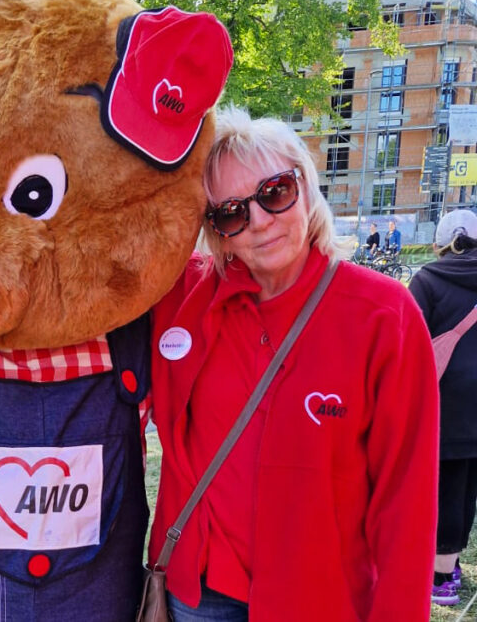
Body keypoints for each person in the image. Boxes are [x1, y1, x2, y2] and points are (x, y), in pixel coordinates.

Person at [148, 107, 439, 621]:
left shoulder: (383, 315)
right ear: (215, 230)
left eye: (275, 192)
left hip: (319, 600)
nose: (260, 221)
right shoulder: (181, 297)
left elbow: (406, 500)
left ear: (305, 186)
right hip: (197, 594)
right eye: (232, 212)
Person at [409, 208, 477, 607]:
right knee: (466, 487)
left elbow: (408, 341)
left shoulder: (428, 279)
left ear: (442, 243)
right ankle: (450, 566)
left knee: (442, 488)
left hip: (442, 401)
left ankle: (439, 577)